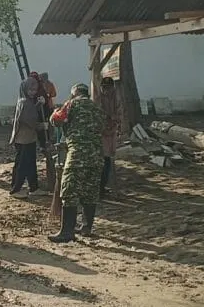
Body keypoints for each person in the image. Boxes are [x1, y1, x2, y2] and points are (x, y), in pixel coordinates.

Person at [49, 83, 104, 242]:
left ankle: (67, 232)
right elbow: (104, 126)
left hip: (77, 154)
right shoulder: (96, 107)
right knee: (90, 191)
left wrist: (53, 113)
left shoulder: (71, 104)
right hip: (97, 155)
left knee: (69, 191)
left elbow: (57, 120)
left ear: (75, 94)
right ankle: (86, 227)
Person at [9, 77, 43, 199]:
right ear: (25, 89)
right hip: (24, 139)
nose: (33, 92)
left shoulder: (26, 101)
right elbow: (29, 120)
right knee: (22, 165)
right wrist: (41, 126)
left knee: (30, 164)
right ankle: (16, 189)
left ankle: (33, 187)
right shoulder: (25, 102)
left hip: (28, 138)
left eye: (35, 90)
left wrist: (38, 104)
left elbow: (32, 112)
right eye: (31, 90)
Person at [99, 77, 121, 198]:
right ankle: (100, 187)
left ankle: (104, 185)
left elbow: (120, 112)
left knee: (109, 159)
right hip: (101, 133)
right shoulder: (97, 97)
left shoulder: (116, 97)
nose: (106, 91)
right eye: (104, 88)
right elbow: (97, 113)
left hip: (111, 131)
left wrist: (115, 120)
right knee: (103, 160)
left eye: (109, 88)